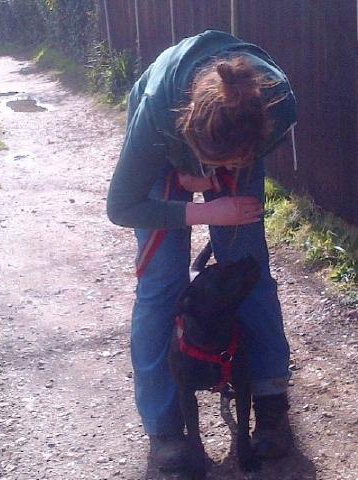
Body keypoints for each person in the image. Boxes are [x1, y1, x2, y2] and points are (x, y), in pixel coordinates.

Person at [107, 30, 297, 470]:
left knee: (246, 269)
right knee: (162, 281)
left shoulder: (278, 106)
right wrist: (202, 204)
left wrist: (219, 186)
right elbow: (122, 206)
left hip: (233, 137)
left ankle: (269, 401)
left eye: (227, 162)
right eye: (213, 161)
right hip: (166, 141)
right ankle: (165, 426)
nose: (220, 170)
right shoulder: (158, 114)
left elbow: (238, 162)